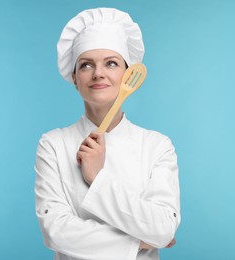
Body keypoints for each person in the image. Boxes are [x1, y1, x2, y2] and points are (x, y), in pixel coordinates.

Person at [34, 7, 181, 260]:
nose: (98, 73)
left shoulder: (157, 145)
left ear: (127, 73)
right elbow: (55, 232)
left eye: (111, 63)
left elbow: (164, 227)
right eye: (86, 65)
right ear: (74, 78)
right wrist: (138, 242)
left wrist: (97, 178)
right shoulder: (53, 144)